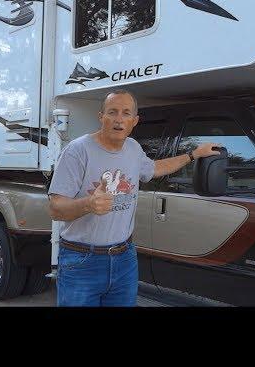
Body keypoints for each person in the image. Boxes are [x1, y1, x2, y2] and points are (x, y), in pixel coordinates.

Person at [47, 89, 220, 306]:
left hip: (124, 259)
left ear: (135, 120)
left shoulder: (133, 148)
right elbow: (55, 208)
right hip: (82, 260)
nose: (119, 119)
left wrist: (193, 154)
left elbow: (156, 168)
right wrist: (88, 204)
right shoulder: (77, 151)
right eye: (112, 112)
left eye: (126, 113)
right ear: (101, 117)